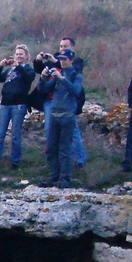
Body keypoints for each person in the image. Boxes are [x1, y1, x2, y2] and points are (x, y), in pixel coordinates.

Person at [37, 51, 83, 188]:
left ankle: (65, 178)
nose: (62, 62)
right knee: (51, 147)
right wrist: (43, 78)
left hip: (68, 115)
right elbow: (43, 89)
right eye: (60, 59)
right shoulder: (57, 74)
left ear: (71, 60)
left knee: (65, 148)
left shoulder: (76, 75)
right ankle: (53, 176)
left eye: (65, 59)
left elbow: (76, 91)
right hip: (54, 114)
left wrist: (62, 79)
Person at [0, 45, 36, 171]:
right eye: (16, 54)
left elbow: (28, 78)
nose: (18, 56)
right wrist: (0, 67)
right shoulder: (10, 70)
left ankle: (15, 161)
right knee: (0, 134)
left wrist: (18, 66)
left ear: (26, 56)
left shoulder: (28, 70)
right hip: (5, 104)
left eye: (21, 54)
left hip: (19, 104)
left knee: (16, 134)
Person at [60, 37, 87, 169]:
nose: (62, 49)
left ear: (73, 47)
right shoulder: (59, 61)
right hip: (59, 103)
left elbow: (74, 80)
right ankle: (66, 160)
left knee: (74, 131)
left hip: (72, 101)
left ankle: (80, 159)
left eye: (65, 46)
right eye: (61, 46)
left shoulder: (77, 63)